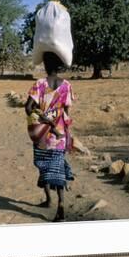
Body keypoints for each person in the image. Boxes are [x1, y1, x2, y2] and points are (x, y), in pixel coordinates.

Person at [25, 51, 75, 222]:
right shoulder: (67, 85)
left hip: (43, 136)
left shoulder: (39, 84)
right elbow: (67, 112)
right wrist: (66, 134)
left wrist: (42, 117)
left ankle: (48, 200)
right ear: (59, 65)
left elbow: (28, 107)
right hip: (59, 134)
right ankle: (60, 204)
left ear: (45, 65)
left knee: (43, 166)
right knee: (57, 169)